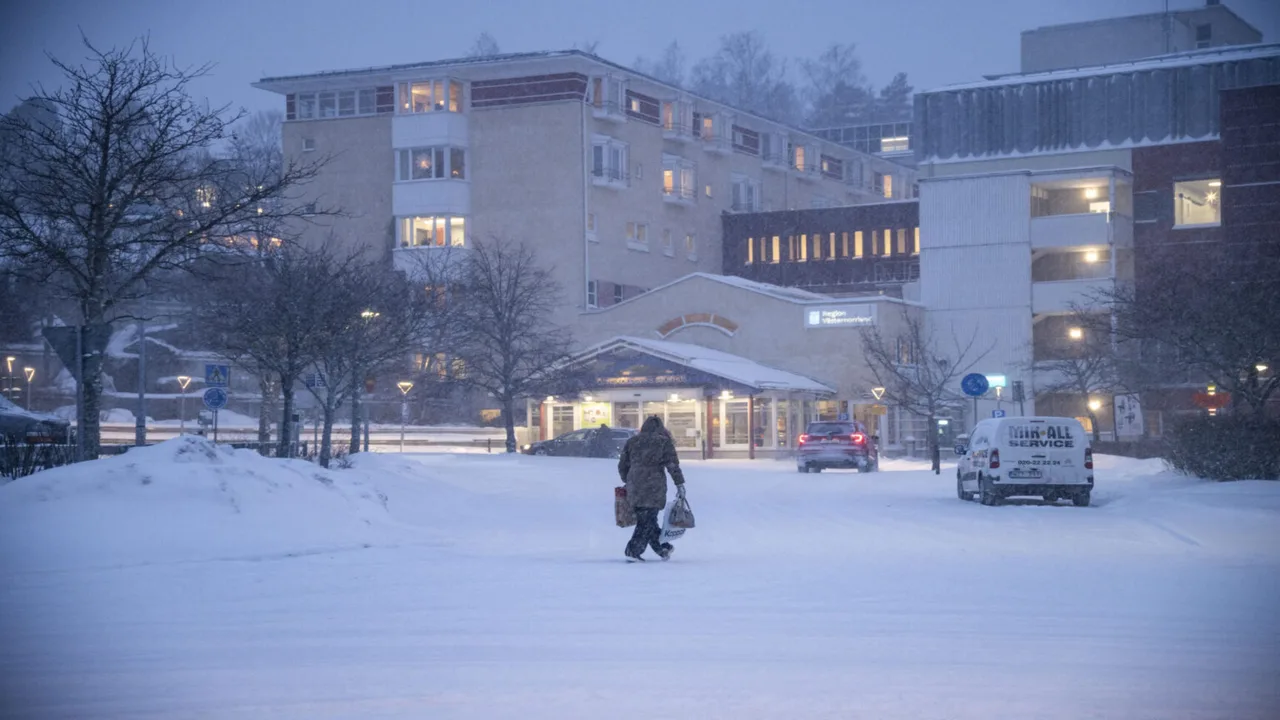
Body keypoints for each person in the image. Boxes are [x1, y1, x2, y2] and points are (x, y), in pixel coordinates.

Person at [617, 415, 685, 562]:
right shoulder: (663, 442)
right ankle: (633, 551)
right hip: (654, 484)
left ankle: (662, 548)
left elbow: (622, 465)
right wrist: (679, 484)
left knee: (647, 519)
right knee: (647, 519)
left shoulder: (632, 441)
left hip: (635, 484)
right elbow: (672, 465)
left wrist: (628, 479)